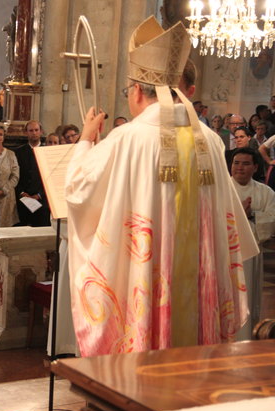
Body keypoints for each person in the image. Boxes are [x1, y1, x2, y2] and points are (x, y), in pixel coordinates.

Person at [65, 17, 258, 357]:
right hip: (199, 296)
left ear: (137, 90)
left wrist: (85, 140)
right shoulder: (211, 141)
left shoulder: (129, 138)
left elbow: (79, 191)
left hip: (148, 286)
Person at [230, 148, 275, 340]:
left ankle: (247, 338)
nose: (239, 168)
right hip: (226, 254)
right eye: (236, 163)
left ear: (255, 167)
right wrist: (237, 214)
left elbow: (272, 220)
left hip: (251, 254)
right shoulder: (221, 189)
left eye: (246, 163)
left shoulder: (265, 192)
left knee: (249, 300)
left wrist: (252, 215)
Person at [15, 120, 50, 226]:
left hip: (42, 201)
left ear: (41, 132)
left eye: (36, 130)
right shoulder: (18, 152)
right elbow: (15, 175)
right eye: (31, 130)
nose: (34, 133)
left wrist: (39, 195)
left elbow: (50, 177)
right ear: (26, 132)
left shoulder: (47, 152)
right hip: (22, 199)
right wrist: (21, 192)